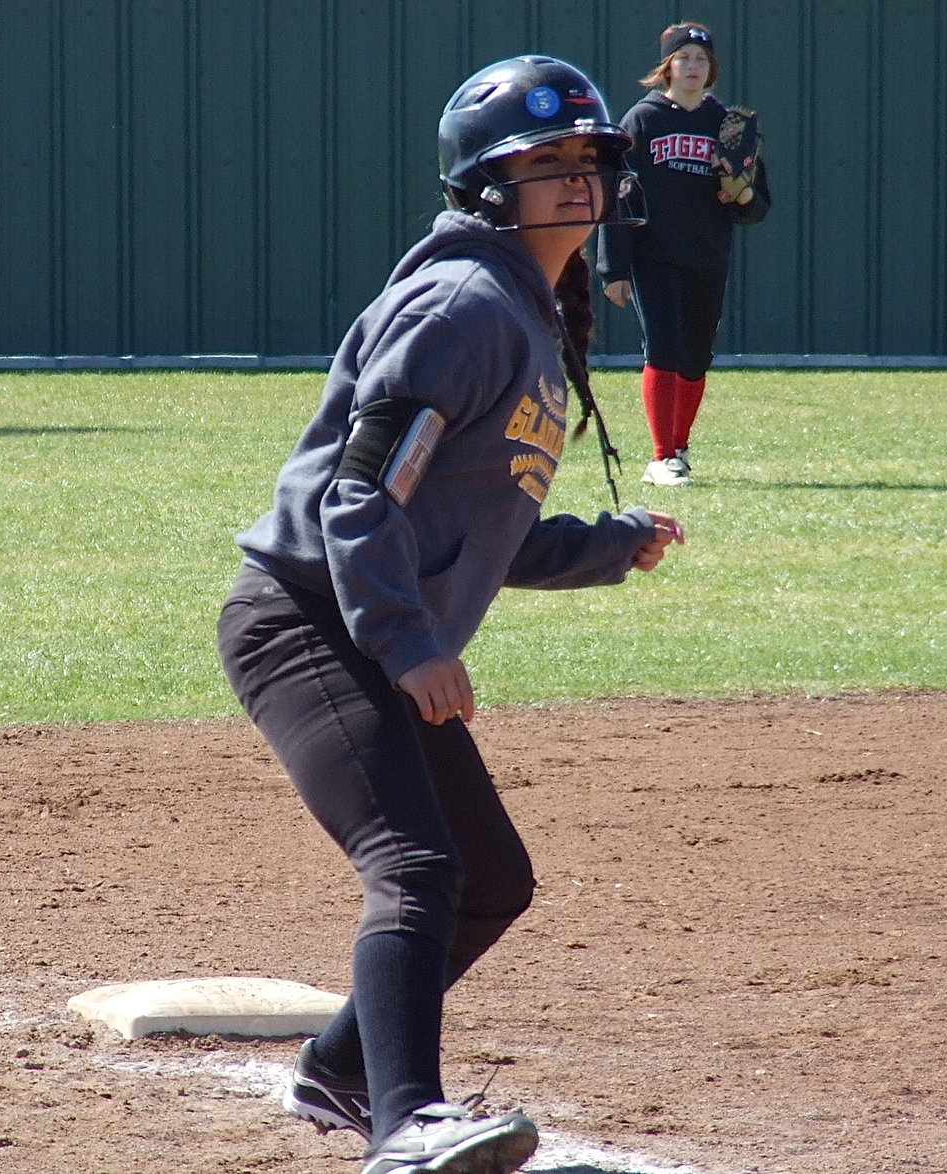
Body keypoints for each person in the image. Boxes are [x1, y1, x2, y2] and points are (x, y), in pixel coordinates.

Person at [216, 55, 684, 1174]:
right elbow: (361, 494)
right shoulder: (466, 303)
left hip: (360, 614)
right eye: (543, 162)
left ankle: (340, 1067)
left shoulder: (527, 309)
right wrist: (411, 642)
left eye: (590, 157)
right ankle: (405, 1125)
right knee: (418, 865)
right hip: (310, 616)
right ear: (483, 185)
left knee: (494, 878)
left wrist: (607, 544)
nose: (576, 178)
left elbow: (479, 529)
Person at [597, 21, 771, 487]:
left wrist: (742, 198)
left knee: (695, 356)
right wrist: (613, 267)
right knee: (664, 349)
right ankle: (660, 457)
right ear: (667, 67)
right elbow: (618, 196)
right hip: (653, 255)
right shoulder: (642, 120)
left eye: (701, 60)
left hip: (708, 254)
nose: (692, 67)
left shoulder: (728, 125)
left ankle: (679, 448)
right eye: (684, 58)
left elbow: (758, 204)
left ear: (711, 69)